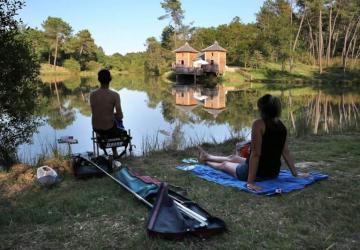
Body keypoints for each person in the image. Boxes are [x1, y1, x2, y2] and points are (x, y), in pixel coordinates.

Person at [198, 94, 309, 192]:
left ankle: (205, 161)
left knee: (225, 165)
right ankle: (207, 156)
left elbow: (256, 154)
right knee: (233, 157)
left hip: (257, 173)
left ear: (263, 110)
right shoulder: (281, 126)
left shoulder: (258, 124)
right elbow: (286, 152)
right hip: (273, 172)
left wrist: (250, 182)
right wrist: (295, 173)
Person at [90, 69, 124, 156]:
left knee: (108, 120)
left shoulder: (92, 94)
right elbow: (120, 116)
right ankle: (114, 152)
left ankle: (101, 142)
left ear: (98, 79)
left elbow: (97, 111)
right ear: (110, 79)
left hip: (96, 128)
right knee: (118, 122)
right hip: (109, 129)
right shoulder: (115, 95)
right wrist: (113, 115)